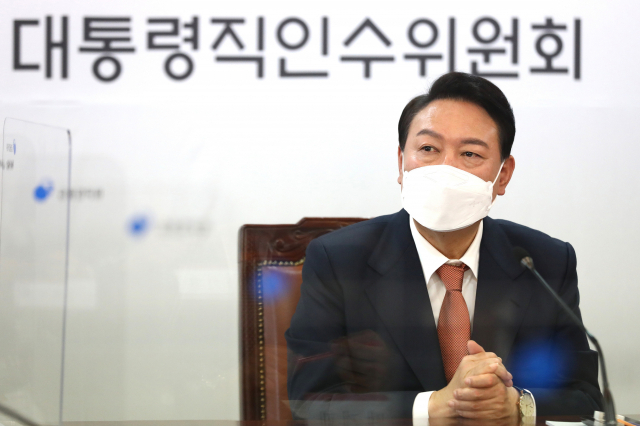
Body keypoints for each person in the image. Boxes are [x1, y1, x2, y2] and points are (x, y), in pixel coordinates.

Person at [285, 72, 603, 420]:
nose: (446, 169)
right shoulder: (339, 260)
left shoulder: (544, 262)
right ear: (401, 163)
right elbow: (311, 400)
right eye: (428, 149)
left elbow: (585, 398)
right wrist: (433, 407)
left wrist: (516, 407)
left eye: (470, 153)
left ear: (503, 175)